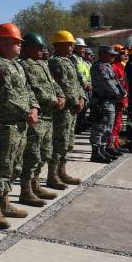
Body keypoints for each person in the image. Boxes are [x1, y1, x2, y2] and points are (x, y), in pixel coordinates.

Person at [0, 23, 39, 229]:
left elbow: (27, 90)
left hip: (20, 125)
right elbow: (6, 96)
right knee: (0, 168)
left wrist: (34, 107)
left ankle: (5, 203)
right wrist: (26, 112)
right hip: (6, 125)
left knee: (14, 166)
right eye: (16, 43)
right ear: (3, 43)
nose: (20, 46)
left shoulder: (17, 65)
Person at [19, 32, 65, 207]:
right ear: (28, 48)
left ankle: (35, 184)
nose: (41, 51)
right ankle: (26, 190)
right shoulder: (25, 65)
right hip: (37, 116)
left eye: (42, 48)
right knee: (32, 155)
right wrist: (52, 100)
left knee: (45, 153)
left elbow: (53, 83)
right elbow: (32, 89)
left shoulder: (43, 64)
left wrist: (60, 95)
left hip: (48, 116)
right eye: (38, 47)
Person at [48, 31, 86, 188]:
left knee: (68, 141)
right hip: (64, 109)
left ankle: (62, 171)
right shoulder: (55, 62)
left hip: (73, 108)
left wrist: (82, 97)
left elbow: (77, 82)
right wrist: (74, 100)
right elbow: (63, 84)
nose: (72, 47)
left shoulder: (70, 61)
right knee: (59, 141)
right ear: (59, 45)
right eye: (69, 44)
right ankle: (53, 175)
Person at [89, 46, 125, 163]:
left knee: (108, 127)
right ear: (102, 54)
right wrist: (118, 94)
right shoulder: (99, 66)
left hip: (109, 101)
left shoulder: (107, 66)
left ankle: (103, 148)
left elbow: (115, 82)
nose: (113, 56)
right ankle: (96, 152)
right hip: (101, 102)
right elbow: (107, 83)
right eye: (111, 54)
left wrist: (122, 92)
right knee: (100, 127)